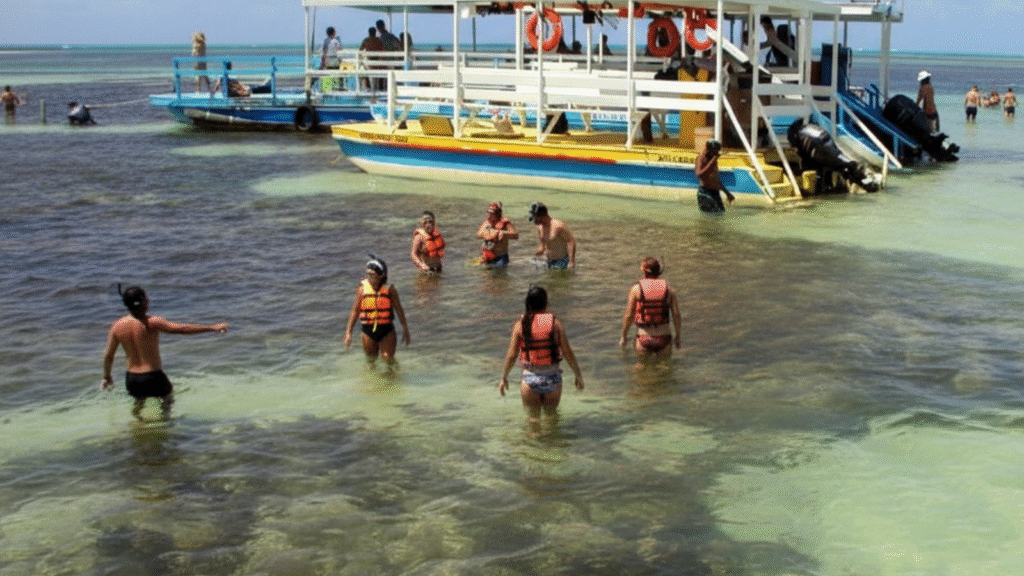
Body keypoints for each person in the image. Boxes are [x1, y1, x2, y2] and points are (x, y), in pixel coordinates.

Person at [101, 285, 228, 421]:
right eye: (146, 298)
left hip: (132, 379)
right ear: (144, 301)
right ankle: (163, 429)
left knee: (138, 406)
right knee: (167, 406)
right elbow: (182, 329)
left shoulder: (117, 326)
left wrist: (107, 376)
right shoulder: (152, 322)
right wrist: (212, 328)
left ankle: (138, 427)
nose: (148, 301)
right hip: (153, 377)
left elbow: (108, 356)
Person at [499, 286, 584, 414]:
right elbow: (567, 352)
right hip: (553, 378)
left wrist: (504, 377)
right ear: (546, 303)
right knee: (551, 418)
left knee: (532, 420)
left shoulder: (520, 325)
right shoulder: (556, 324)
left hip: (530, 379)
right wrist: (578, 375)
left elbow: (512, 355)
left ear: (528, 304)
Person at [344, 255, 410, 365]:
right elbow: (355, 311)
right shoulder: (361, 291)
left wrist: (405, 329)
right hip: (368, 331)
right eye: (367, 274)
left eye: (372, 275)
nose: (368, 277)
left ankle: (393, 375)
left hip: (387, 330)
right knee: (371, 361)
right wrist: (348, 332)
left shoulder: (390, 290)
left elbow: (399, 310)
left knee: (388, 359)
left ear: (381, 276)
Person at [619, 257, 683, 361]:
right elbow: (676, 315)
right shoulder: (669, 290)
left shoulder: (636, 289)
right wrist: (678, 336)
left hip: (643, 337)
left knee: (641, 368)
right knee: (665, 367)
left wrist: (624, 336)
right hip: (664, 337)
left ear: (644, 270)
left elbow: (629, 315)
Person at [528, 202, 576, 269]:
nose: (534, 220)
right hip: (549, 261)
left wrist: (571, 261)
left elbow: (571, 241)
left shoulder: (558, 226)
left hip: (562, 261)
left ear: (542, 215)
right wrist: (539, 250)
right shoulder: (540, 227)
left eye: (535, 217)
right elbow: (542, 244)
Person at [695, 139, 735, 213]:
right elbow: (699, 174)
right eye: (714, 152)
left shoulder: (713, 159)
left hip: (715, 192)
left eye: (717, 153)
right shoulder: (701, 158)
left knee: (720, 214)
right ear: (708, 150)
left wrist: (727, 193)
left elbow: (715, 179)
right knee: (711, 216)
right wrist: (713, 160)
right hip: (705, 192)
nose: (716, 154)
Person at [477, 201, 519, 267]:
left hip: (500, 258)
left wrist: (504, 233)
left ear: (497, 214)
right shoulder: (486, 223)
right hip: (488, 256)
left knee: (498, 273)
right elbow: (478, 234)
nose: (488, 215)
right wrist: (489, 233)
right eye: (487, 212)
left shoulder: (505, 222)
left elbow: (516, 235)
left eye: (491, 213)